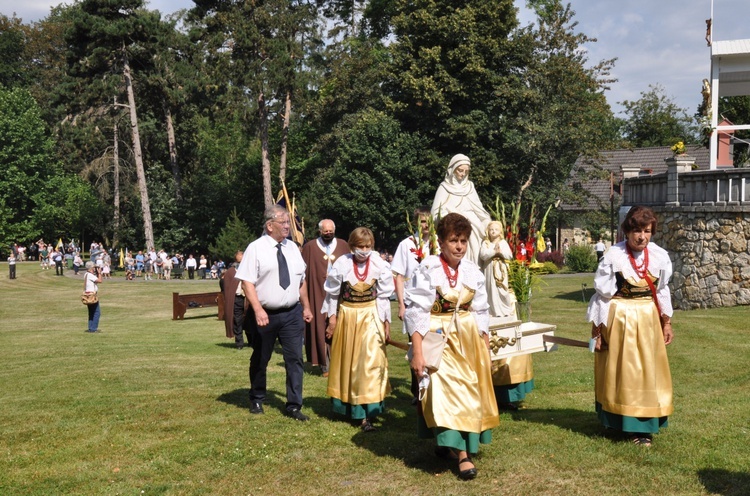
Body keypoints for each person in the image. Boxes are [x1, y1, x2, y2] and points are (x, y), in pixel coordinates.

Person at [404, 213, 499, 480]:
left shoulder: (472, 271)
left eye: (464, 241)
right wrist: (418, 353)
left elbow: (481, 312)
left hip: (469, 341)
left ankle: (455, 446)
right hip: (439, 339)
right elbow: (417, 312)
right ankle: (460, 453)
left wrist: (486, 348)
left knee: (470, 392)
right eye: (453, 240)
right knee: (446, 393)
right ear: (441, 242)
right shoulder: (429, 268)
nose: (459, 246)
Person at [586, 206, 674, 447]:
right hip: (620, 318)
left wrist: (666, 322)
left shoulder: (658, 256)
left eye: (647, 231)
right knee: (621, 371)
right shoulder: (614, 256)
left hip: (647, 319)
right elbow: (602, 296)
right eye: (637, 231)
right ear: (627, 231)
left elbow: (662, 290)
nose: (641, 236)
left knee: (646, 372)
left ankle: (643, 427)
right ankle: (617, 420)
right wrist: (597, 332)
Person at [236, 205, 314, 421]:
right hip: (265, 314)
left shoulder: (292, 248)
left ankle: (294, 405)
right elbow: (247, 283)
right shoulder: (256, 248)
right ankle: (257, 397)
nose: (288, 226)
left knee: (295, 359)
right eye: (284, 222)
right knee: (261, 358)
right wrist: (258, 309)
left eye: (288, 222)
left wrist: (306, 306)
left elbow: (301, 280)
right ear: (270, 226)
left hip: (292, 314)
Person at [322, 227, 394, 432]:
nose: (364, 250)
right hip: (348, 315)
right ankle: (350, 406)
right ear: (352, 246)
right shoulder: (342, 263)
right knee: (350, 361)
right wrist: (332, 319)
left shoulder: (379, 264)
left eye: (368, 246)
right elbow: (332, 294)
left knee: (370, 362)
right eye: (360, 246)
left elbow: (383, 296)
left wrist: (385, 322)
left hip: (371, 315)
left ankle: (367, 413)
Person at [478, 221, 533, 410]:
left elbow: (509, 255)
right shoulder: (486, 244)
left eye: (496, 230)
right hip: (489, 274)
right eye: (491, 230)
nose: (493, 233)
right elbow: (483, 255)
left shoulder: (502, 243)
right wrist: (494, 250)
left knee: (502, 294)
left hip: (501, 271)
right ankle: (494, 311)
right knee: (492, 294)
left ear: (500, 232)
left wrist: (499, 250)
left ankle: (502, 312)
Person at [392, 206, 434, 403]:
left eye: (429, 221)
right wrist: (401, 304)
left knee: (435, 345)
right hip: (414, 302)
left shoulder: (438, 243)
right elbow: (399, 276)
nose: (426, 226)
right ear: (416, 223)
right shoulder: (406, 245)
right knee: (415, 346)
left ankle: (434, 387)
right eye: (422, 222)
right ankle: (417, 389)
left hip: (435, 303)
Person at [301, 219, 350, 376]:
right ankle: (324, 364)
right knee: (320, 325)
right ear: (320, 231)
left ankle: (340, 362)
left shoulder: (343, 245)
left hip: (340, 292)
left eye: (330, 230)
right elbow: (303, 272)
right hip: (318, 291)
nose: (328, 233)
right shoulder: (309, 247)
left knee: (339, 324)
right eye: (325, 231)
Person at [431, 154, 491, 265]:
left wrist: (488, 223)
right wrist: (450, 218)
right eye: (460, 170)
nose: (463, 174)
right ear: (453, 169)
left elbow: (479, 210)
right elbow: (435, 213)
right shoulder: (444, 187)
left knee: (474, 234)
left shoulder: (470, 187)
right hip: (453, 227)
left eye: (466, 171)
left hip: (472, 227)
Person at [222, 250, 250, 349]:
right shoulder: (231, 272)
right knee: (237, 321)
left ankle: (252, 341)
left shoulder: (249, 270)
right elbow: (225, 286)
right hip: (237, 299)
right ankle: (239, 343)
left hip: (248, 300)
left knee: (249, 321)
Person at [83, 261, 102, 333]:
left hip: (87, 295)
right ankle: (94, 328)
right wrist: (99, 273)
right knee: (97, 312)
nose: (95, 269)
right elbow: (100, 280)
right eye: (94, 267)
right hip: (92, 295)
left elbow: (95, 281)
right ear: (91, 268)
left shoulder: (86, 274)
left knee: (91, 312)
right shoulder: (90, 275)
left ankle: (91, 327)